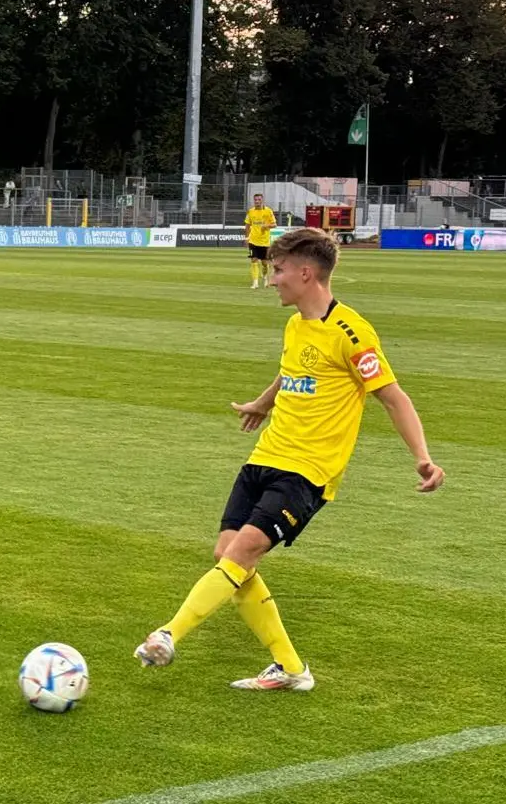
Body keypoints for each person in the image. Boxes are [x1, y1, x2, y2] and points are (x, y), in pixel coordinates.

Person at [133, 228, 443, 690]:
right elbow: (291, 371)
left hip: (308, 471)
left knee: (240, 554)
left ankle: (168, 633)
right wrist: (263, 402)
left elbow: (393, 397)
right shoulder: (296, 324)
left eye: (279, 270)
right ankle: (293, 670)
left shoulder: (352, 333)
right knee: (228, 557)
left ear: (306, 272)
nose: (273, 279)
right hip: (266, 456)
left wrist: (422, 457)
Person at [245, 193, 277, 289]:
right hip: (253, 240)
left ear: (262, 200)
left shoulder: (268, 211)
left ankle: (265, 277)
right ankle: (255, 283)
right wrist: (247, 237)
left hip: (264, 242)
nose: (257, 201)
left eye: (259, 200)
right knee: (254, 260)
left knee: (264, 263)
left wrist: (266, 226)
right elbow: (247, 225)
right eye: (255, 200)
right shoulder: (250, 211)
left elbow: (274, 224)